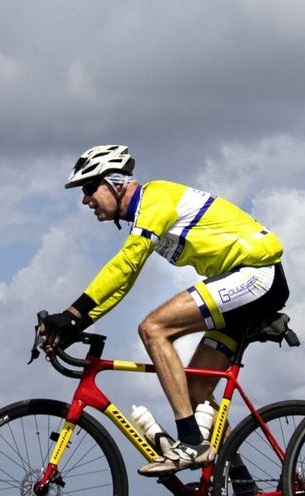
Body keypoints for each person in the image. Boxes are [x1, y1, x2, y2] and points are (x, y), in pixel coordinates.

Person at [39, 144, 289, 478]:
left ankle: (191, 442)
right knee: (195, 391)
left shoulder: (155, 199)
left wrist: (72, 314)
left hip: (256, 273)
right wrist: (78, 322)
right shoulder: (145, 217)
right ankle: (244, 486)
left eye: (89, 188)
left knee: (153, 328)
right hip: (242, 284)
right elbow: (124, 282)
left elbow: (124, 265)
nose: (85, 200)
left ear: (114, 183)